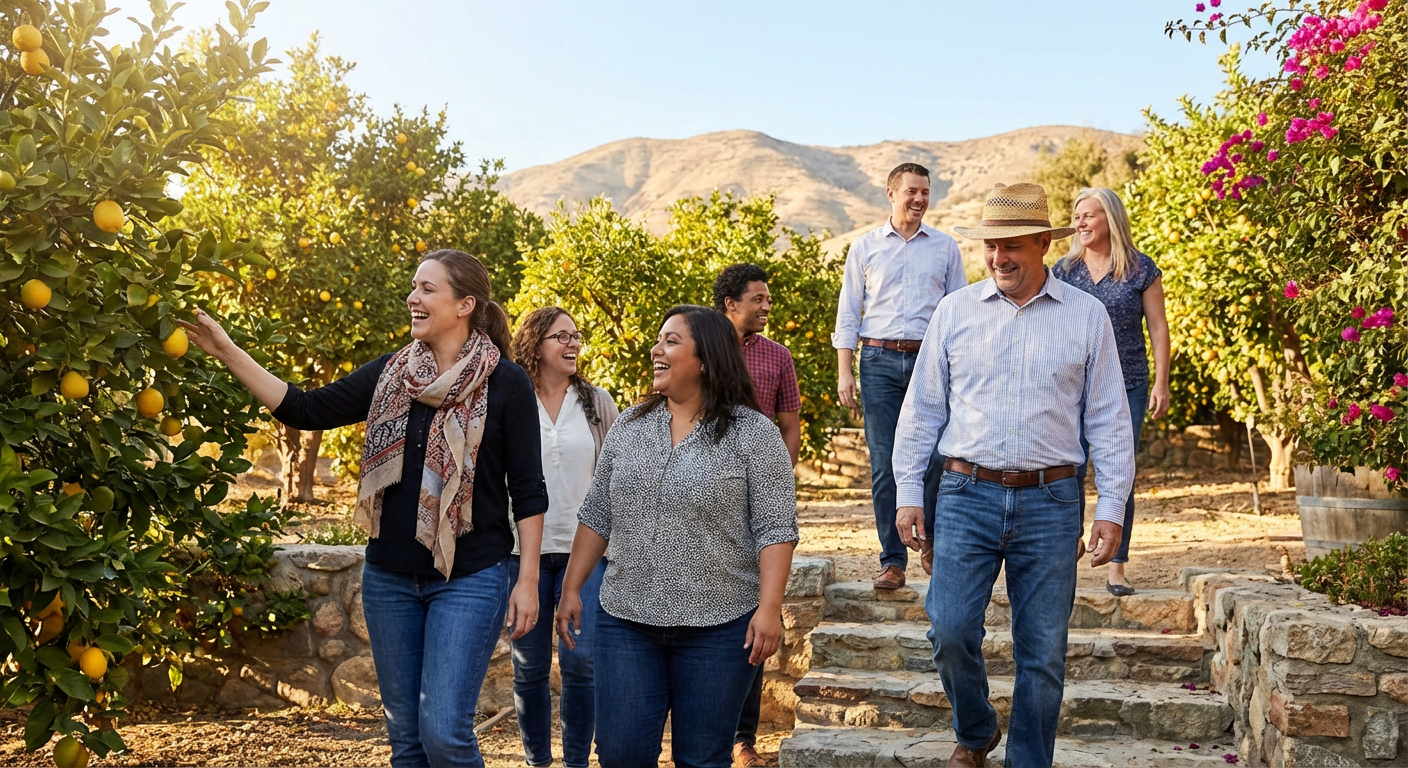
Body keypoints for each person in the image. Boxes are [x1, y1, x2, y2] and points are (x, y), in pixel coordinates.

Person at [178, 250, 546, 768]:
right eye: (414, 287)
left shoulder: (505, 383)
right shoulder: (394, 374)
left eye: (427, 289)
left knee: (443, 732)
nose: (412, 298)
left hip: (470, 576)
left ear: (465, 304)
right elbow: (306, 409)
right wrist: (226, 350)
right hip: (390, 577)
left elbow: (528, 490)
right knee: (407, 743)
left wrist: (527, 581)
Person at [891, 183, 1134, 767]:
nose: (999, 257)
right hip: (965, 493)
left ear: (1042, 246)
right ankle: (975, 732)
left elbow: (1108, 417)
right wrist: (907, 494)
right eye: (991, 246)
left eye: (1012, 246)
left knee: (1043, 653)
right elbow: (922, 410)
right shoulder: (955, 312)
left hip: (1052, 500)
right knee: (949, 632)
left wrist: (1111, 507)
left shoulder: (1087, 316)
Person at [555, 305, 798, 768]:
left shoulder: (754, 435)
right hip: (626, 620)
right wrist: (571, 588)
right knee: (621, 755)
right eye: (658, 339)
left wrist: (769, 609)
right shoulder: (629, 427)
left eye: (670, 341)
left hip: (720, 626)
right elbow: (598, 513)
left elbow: (776, 528)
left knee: (702, 760)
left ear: (704, 359)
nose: (655, 349)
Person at [832, 162, 967, 589]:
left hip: (932, 361)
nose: (919, 199)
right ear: (891, 194)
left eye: (925, 192)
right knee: (885, 465)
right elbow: (849, 312)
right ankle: (893, 561)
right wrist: (844, 371)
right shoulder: (865, 247)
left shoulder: (946, 248)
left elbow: (960, 312)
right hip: (878, 361)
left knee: (938, 458)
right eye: (911, 191)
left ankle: (928, 539)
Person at [507, 307, 620, 768]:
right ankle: (538, 761)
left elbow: (618, 475)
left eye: (576, 336)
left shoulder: (597, 402)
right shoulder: (511, 398)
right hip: (520, 555)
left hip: (585, 556)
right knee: (529, 668)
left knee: (581, 664)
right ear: (536, 346)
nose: (573, 344)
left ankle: (576, 762)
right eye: (561, 337)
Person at [1051, 187, 1171, 596]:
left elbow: (1158, 328)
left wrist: (1161, 381)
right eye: (1077, 215)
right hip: (1073, 388)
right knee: (1068, 470)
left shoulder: (1140, 269)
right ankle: (1063, 558)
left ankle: (1116, 567)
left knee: (1119, 474)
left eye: (1089, 215)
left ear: (1111, 219)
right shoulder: (1063, 271)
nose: (1080, 222)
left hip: (1128, 385)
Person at [712, 264, 801, 768]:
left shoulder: (778, 357)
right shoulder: (697, 345)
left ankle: (743, 738)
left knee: (753, 611)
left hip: (754, 503)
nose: (767, 306)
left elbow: (790, 425)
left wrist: (776, 481)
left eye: (769, 299)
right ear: (730, 302)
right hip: (700, 498)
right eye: (758, 299)